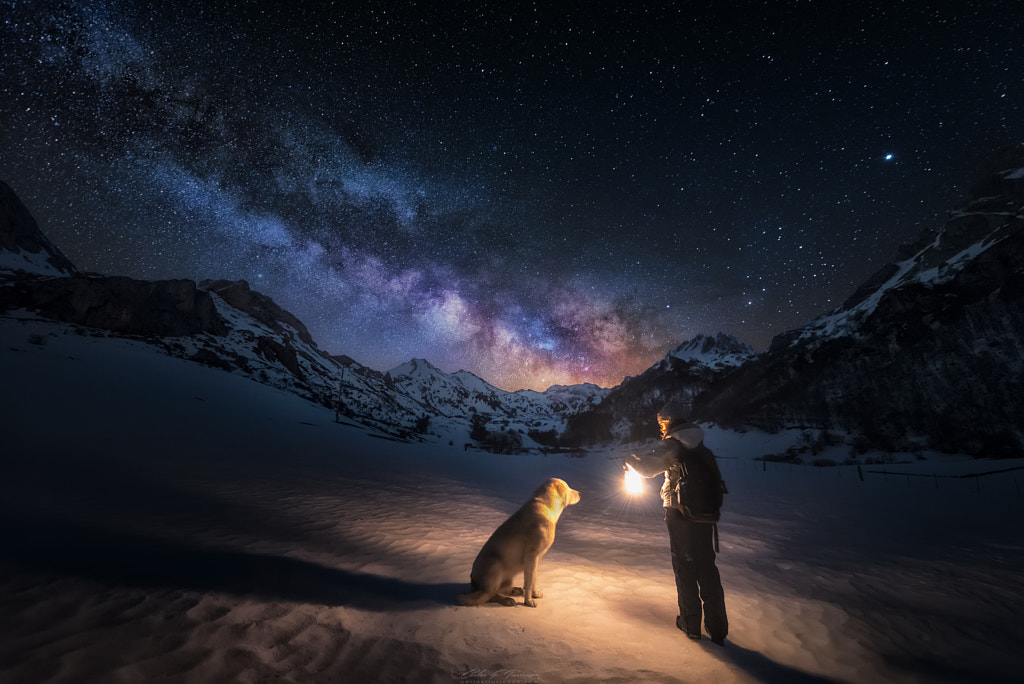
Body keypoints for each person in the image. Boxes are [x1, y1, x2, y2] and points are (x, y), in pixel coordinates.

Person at [626, 401, 728, 645]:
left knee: (684, 566)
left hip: (679, 513)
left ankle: (690, 624)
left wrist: (631, 459)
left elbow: (647, 468)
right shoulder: (701, 448)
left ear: (668, 421)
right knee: (707, 568)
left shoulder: (673, 444)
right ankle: (718, 629)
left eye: (662, 423)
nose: (661, 428)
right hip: (705, 515)